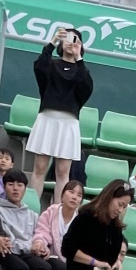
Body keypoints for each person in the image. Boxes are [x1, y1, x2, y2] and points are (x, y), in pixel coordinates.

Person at [28, 27, 94, 195]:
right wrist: (52, 42)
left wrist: (79, 58)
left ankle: (58, 210)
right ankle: (32, 207)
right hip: (47, 118)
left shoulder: (81, 70)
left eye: (75, 39)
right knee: (39, 168)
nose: (70, 42)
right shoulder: (51, 65)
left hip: (69, 122)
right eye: (67, 38)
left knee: (63, 172)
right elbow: (39, 67)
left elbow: (85, 88)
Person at [62, 179, 130, 270]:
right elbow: (67, 248)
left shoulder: (116, 226)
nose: (121, 210)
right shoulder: (86, 217)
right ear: (110, 197)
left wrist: (116, 262)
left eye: (124, 207)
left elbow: (112, 253)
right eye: (120, 204)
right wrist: (96, 262)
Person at [0, 166, 63, 270]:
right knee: (42, 268)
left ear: (25, 189)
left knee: (60, 268)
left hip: (32, 253)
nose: (15, 188)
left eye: (20, 185)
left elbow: (40, 235)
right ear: (4, 187)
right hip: (16, 253)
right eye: (11, 184)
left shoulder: (32, 214)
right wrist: (31, 248)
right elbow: (9, 243)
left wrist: (43, 247)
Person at [33, 174, 84, 264]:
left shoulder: (82, 221)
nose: (74, 197)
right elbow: (42, 232)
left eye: (79, 195)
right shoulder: (50, 213)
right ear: (62, 195)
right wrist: (40, 243)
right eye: (71, 192)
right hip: (50, 258)